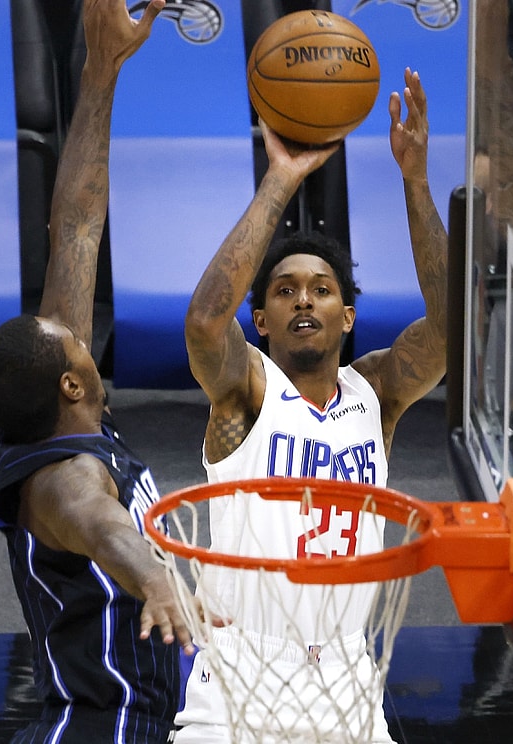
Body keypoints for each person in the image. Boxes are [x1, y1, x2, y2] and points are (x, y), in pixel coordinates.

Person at [176, 68, 448, 742]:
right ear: (262, 322)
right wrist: (281, 178)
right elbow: (207, 323)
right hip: (240, 682)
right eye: (284, 290)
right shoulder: (245, 392)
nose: (303, 299)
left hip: (349, 683)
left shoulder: (376, 394)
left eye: (321, 289)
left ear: (348, 317)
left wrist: (415, 179)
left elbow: (454, 327)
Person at [0, 2, 191, 741]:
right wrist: (155, 578)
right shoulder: (63, 478)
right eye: (75, 343)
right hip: (111, 726)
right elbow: (102, 526)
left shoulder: (59, 416)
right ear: (71, 383)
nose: (82, 332)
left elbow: (77, 225)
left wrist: (101, 73)